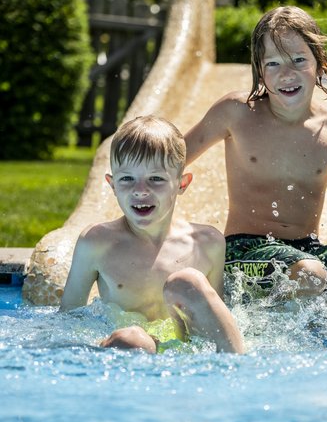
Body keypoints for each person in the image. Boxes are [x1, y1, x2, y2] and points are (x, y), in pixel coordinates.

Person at [184, 5, 327, 311]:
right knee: (310, 275)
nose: (286, 74)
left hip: (308, 254)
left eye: (299, 60)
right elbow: (171, 160)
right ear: (260, 71)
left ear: (320, 65)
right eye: (273, 64)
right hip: (243, 252)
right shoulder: (237, 113)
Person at [60, 115, 244, 353]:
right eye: (127, 179)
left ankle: (239, 370)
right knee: (133, 339)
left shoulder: (207, 244)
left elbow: (218, 319)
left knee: (188, 282)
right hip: (133, 355)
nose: (140, 191)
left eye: (155, 179)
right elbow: (67, 322)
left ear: (182, 184)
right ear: (112, 185)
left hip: (189, 353)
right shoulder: (97, 243)